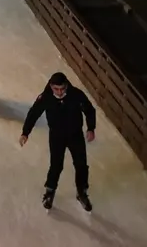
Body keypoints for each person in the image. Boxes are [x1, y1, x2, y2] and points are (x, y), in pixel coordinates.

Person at [19, 72, 96, 212]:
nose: (60, 92)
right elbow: (34, 113)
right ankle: (49, 192)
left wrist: (91, 128)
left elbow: (89, 110)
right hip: (57, 137)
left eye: (62, 89)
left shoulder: (76, 95)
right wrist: (25, 132)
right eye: (56, 89)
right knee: (56, 165)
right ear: (51, 86)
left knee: (81, 165)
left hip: (75, 135)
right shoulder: (46, 98)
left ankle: (82, 193)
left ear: (66, 86)